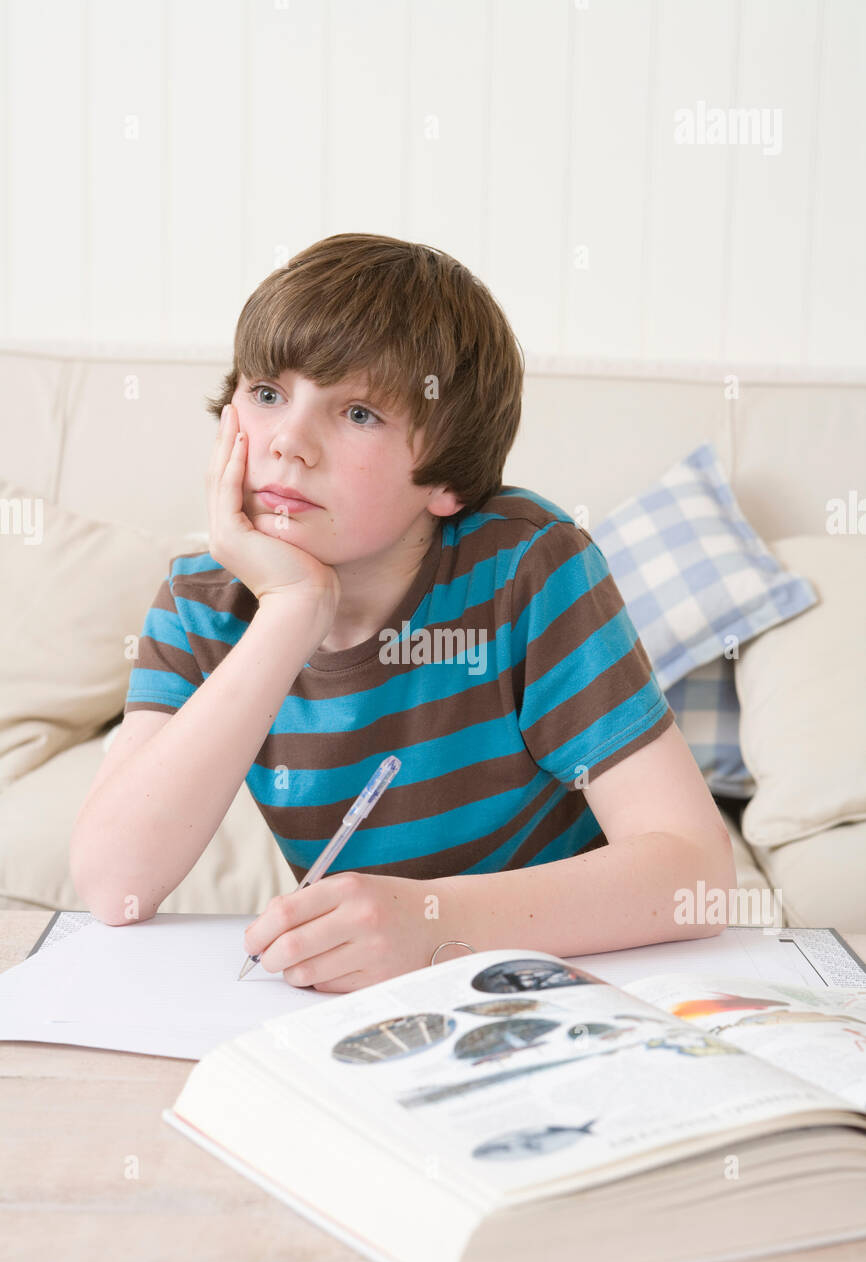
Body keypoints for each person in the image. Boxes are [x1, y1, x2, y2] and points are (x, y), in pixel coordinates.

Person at [70, 232, 735, 991]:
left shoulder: (526, 567)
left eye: (356, 413)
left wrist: (435, 924)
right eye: (266, 394)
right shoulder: (202, 603)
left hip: (553, 983)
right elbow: (113, 886)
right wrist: (291, 610)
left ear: (445, 480)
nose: (289, 441)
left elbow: (696, 871)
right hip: (370, 1004)